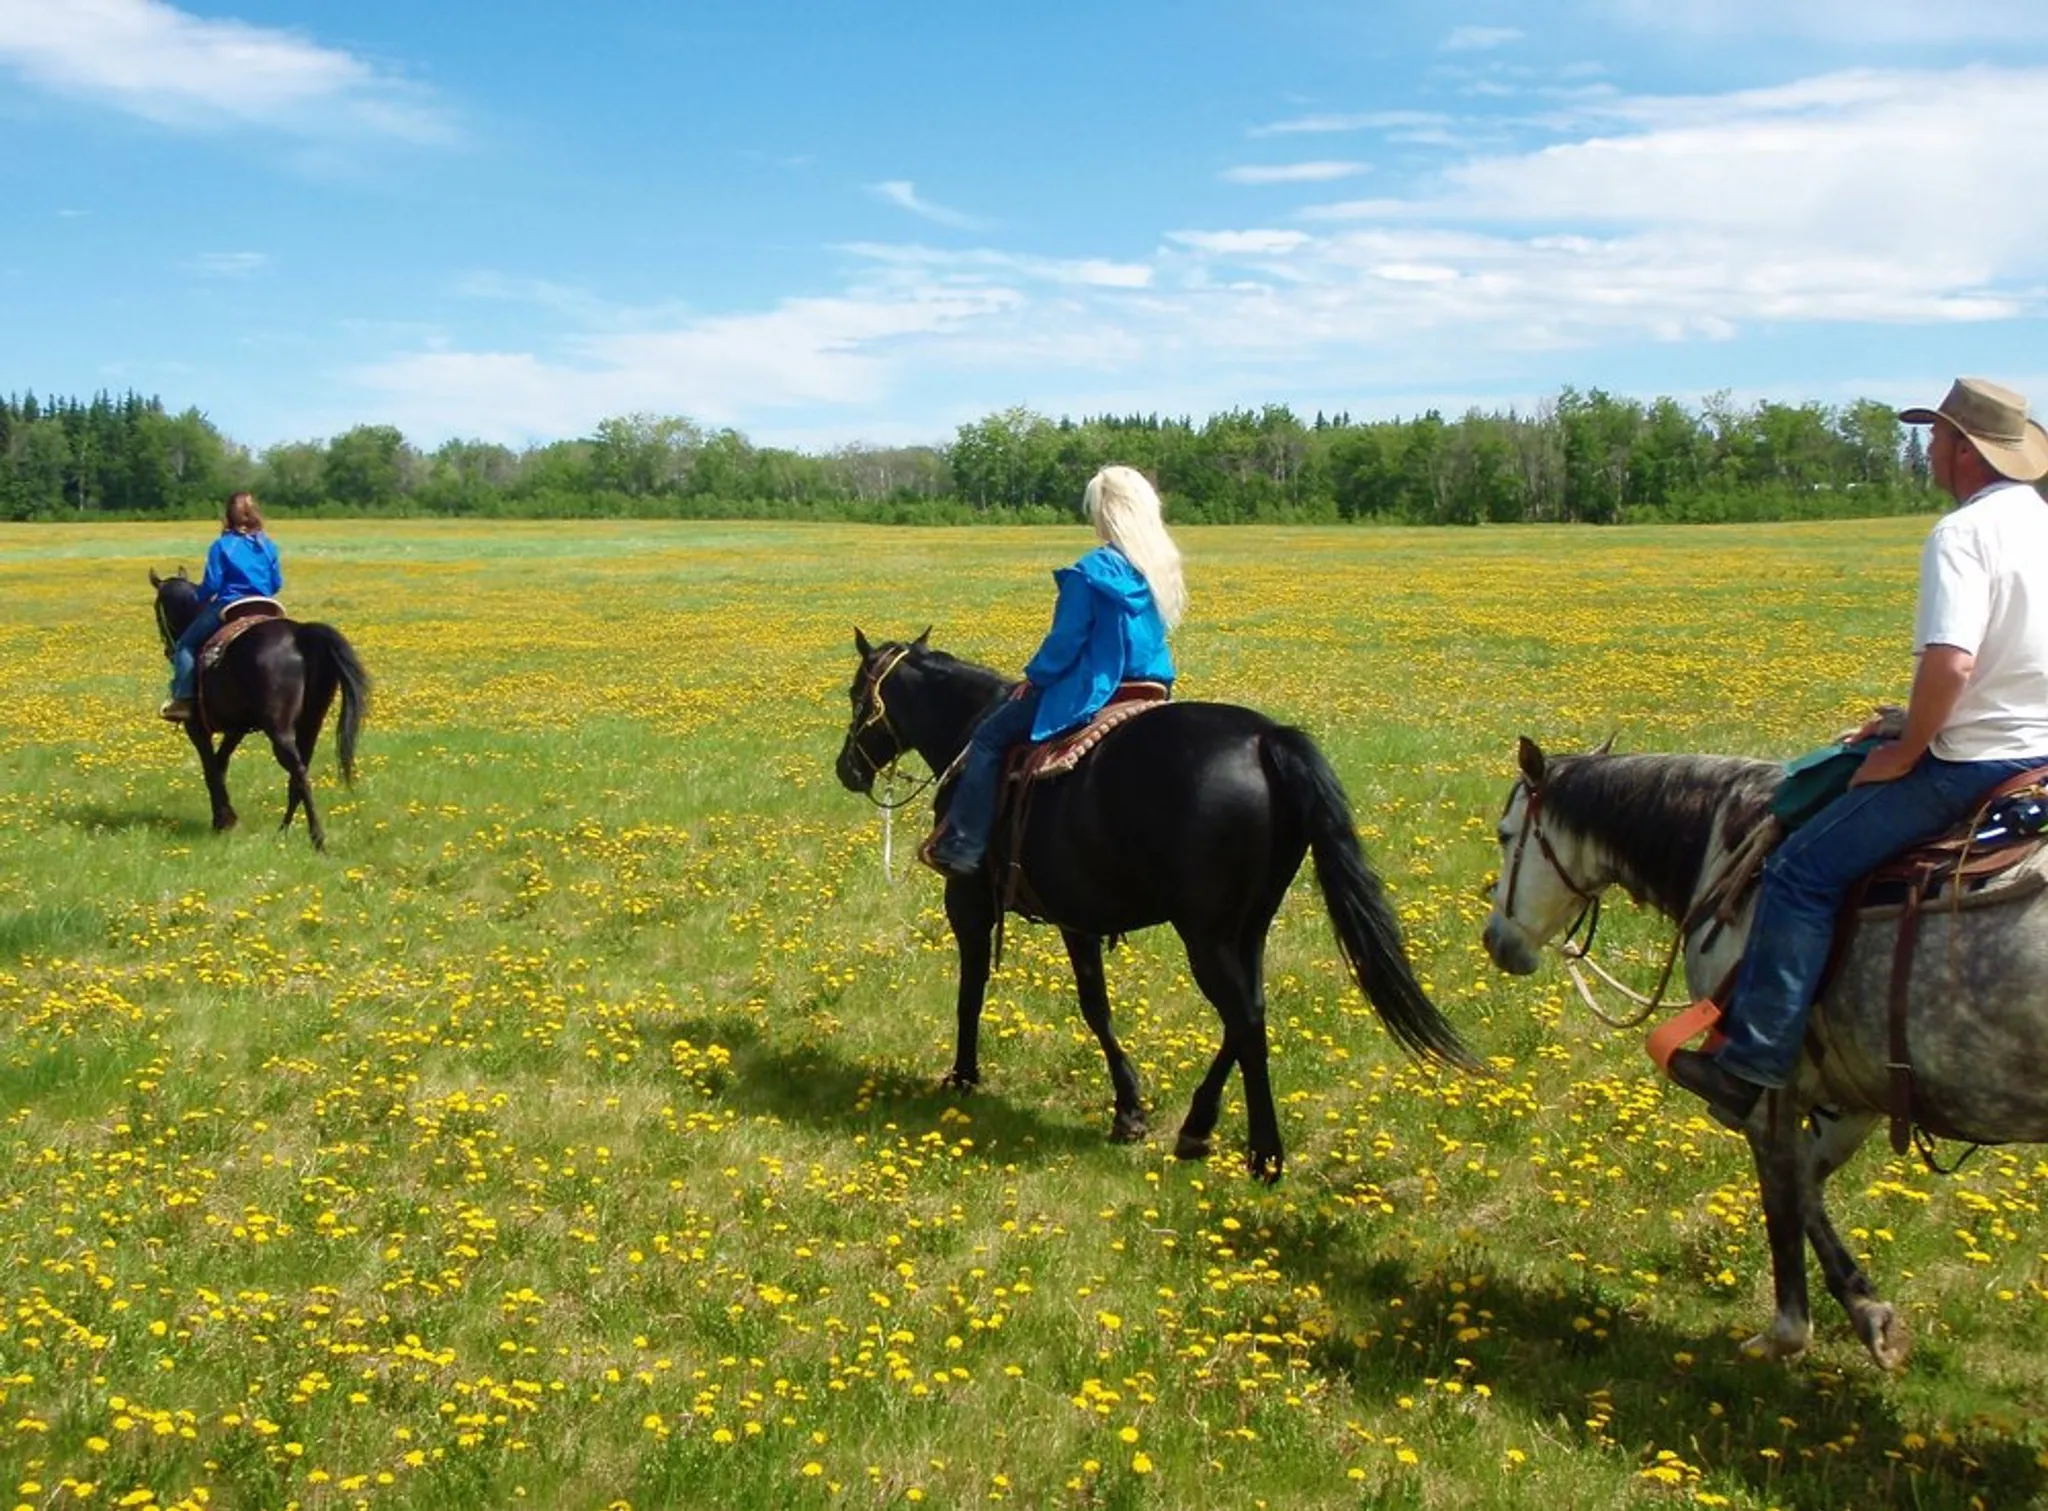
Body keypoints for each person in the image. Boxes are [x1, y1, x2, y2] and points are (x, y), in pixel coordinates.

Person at [1670, 378, 2048, 1125]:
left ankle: (1756, 1059)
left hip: (1973, 761)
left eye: (1937, 436)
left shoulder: (1964, 534)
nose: (1930, 448)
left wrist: (1908, 746)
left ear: (1967, 451)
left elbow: (1954, 663)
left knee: (1801, 870)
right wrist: (1912, 715)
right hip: (2040, 755)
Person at [925, 465, 1186, 878]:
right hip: (1149, 689)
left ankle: (964, 845)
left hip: (1095, 691)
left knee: (990, 737)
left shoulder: (1091, 572)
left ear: (1108, 512)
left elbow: (1066, 642)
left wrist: (1037, 676)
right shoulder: (1156, 567)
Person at [161, 490, 283, 721]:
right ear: (256, 513)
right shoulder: (268, 545)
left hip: (231, 604)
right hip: (266, 606)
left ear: (228, 515)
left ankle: (183, 699)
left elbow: (213, 583)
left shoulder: (221, 545)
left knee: (185, 646)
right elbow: (276, 583)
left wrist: (199, 597)